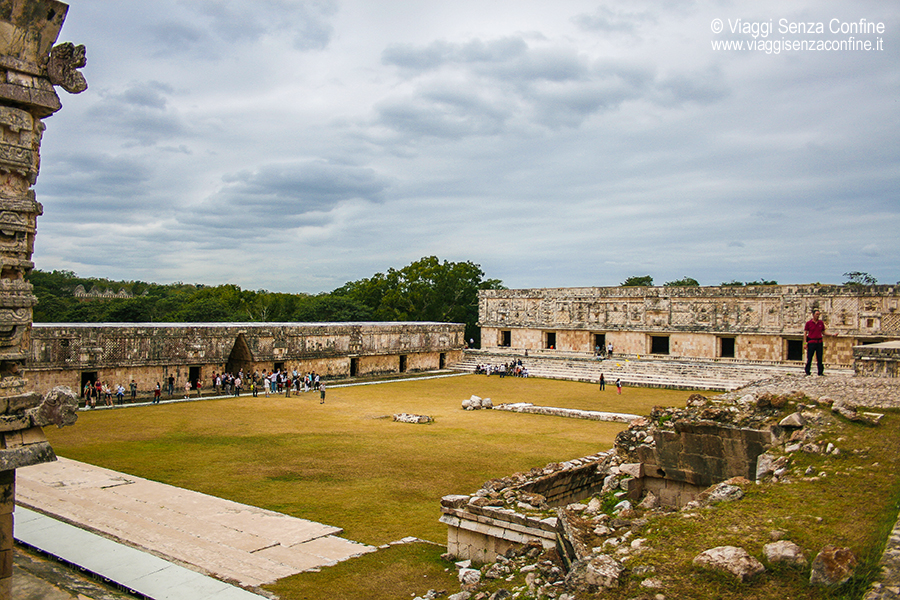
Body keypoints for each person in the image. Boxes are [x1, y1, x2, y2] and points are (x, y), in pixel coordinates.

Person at [804, 308, 826, 376]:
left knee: (819, 358)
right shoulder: (808, 323)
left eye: (818, 314)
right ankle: (807, 371)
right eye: (816, 314)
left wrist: (832, 335)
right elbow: (805, 333)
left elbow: (823, 332)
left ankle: (820, 372)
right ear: (813, 315)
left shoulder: (821, 323)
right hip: (811, 341)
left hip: (819, 342)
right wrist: (805, 343)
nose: (818, 316)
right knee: (809, 357)